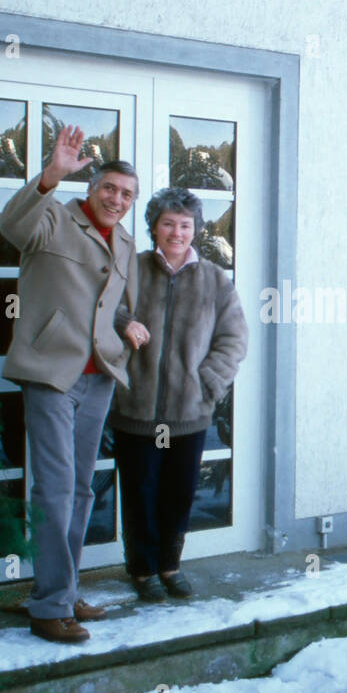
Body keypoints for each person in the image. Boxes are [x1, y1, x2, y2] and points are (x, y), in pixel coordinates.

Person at [0, 126, 152, 643]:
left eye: (127, 194)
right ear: (91, 187)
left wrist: (126, 322)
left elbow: (106, 304)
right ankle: (47, 606)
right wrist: (51, 175)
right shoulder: (54, 219)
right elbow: (11, 226)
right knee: (57, 488)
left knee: (81, 489)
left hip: (98, 376)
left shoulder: (126, 243)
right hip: (50, 373)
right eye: (110, 188)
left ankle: (62, 590)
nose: (117, 199)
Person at [110, 188, 248, 601]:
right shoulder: (131, 269)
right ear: (154, 226)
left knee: (179, 491)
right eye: (168, 223)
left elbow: (234, 339)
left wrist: (207, 381)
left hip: (188, 412)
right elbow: (104, 312)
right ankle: (141, 569)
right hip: (136, 407)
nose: (176, 232)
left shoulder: (213, 278)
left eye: (185, 225)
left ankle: (170, 564)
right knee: (139, 491)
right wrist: (123, 327)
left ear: (196, 231)